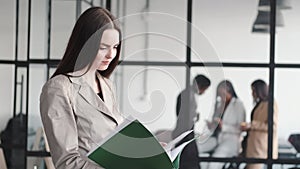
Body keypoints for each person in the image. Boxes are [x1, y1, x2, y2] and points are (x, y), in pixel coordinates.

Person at [39, 7, 123, 169]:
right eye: (103, 47)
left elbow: (113, 140)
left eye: (115, 47)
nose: (111, 55)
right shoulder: (59, 89)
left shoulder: (106, 84)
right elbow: (66, 162)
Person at [201, 80, 246, 169]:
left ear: (229, 91)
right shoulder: (219, 105)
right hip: (217, 138)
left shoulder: (238, 105)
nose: (221, 97)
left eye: (222, 94)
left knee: (216, 159)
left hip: (231, 141)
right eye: (219, 94)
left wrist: (224, 126)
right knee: (197, 149)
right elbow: (215, 125)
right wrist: (211, 126)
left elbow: (240, 129)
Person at [172, 74, 211, 169]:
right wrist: (194, 117)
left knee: (185, 160)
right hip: (185, 133)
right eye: (204, 89)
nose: (204, 92)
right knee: (189, 161)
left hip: (183, 132)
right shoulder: (188, 95)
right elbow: (184, 115)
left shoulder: (186, 94)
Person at [240, 79, 278, 169]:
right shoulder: (260, 103)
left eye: (254, 90)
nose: (252, 93)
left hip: (261, 149)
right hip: (253, 148)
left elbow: (272, 126)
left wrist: (252, 125)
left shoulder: (271, 104)